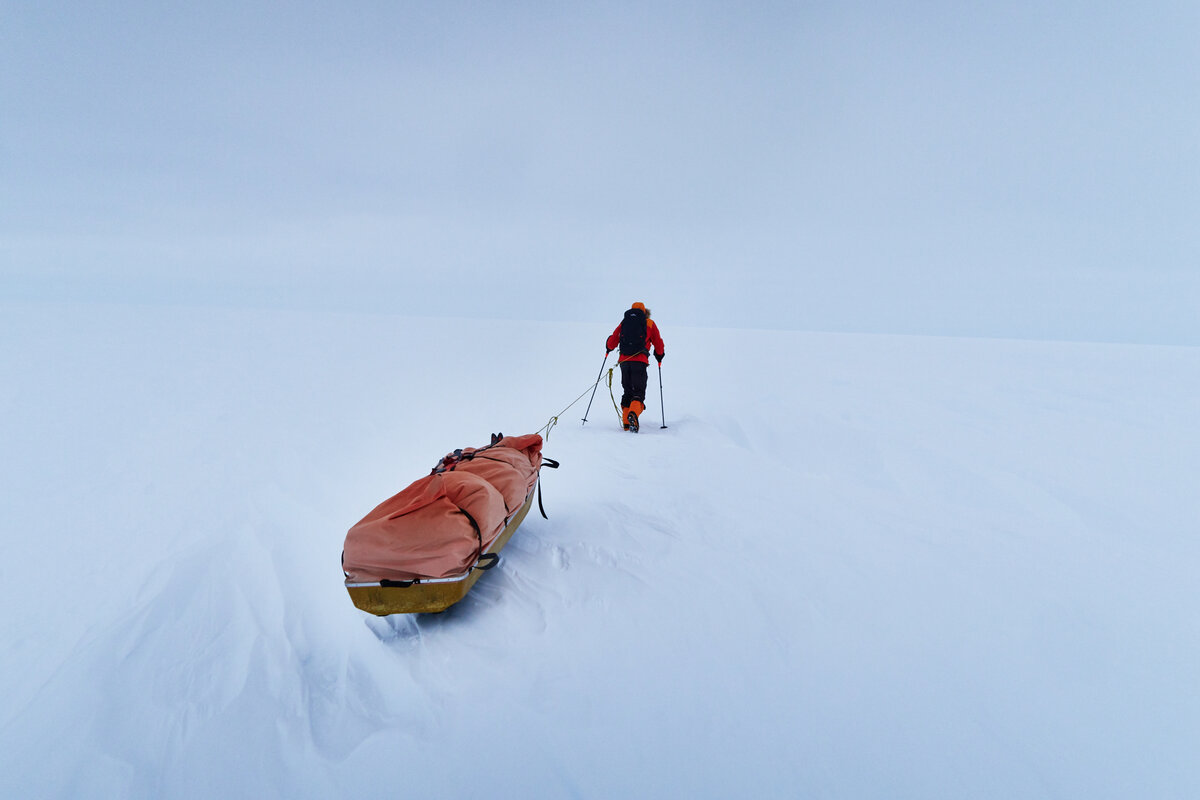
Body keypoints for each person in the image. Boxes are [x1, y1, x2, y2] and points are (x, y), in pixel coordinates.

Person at [605, 302, 665, 432]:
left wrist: (608, 347)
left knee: (627, 392)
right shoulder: (649, 323)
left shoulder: (624, 322)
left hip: (624, 362)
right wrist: (660, 355)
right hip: (640, 362)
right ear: (645, 312)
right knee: (638, 393)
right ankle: (633, 414)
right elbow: (658, 343)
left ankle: (627, 424)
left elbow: (613, 340)